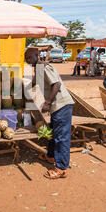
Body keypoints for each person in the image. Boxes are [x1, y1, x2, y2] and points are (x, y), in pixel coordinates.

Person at [24, 48, 75, 179]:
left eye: (29, 57)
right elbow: (35, 81)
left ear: (37, 55)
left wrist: (47, 102)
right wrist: (23, 87)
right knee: (54, 133)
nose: (27, 61)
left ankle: (62, 168)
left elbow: (56, 84)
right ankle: (51, 156)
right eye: (26, 58)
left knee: (61, 137)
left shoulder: (45, 67)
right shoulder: (39, 68)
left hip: (61, 105)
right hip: (56, 107)